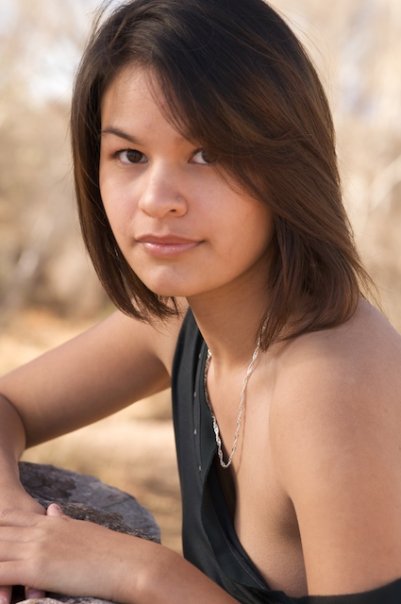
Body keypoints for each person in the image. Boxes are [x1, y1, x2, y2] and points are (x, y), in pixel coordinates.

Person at [0, 0, 401, 602]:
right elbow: (8, 405)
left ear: (287, 164)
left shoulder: (332, 384)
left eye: (208, 154)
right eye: (130, 155)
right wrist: (13, 518)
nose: (158, 199)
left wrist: (146, 573)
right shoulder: (180, 320)